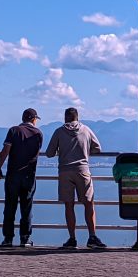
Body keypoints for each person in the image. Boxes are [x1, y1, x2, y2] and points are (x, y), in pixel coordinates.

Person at [46, 107, 107, 249]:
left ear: (65, 118)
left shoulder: (59, 131)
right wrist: (85, 150)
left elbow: (49, 153)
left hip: (65, 171)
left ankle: (72, 239)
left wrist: (61, 150)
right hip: (83, 170)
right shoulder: (86, 130)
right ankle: (92, 237)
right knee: (89, 203)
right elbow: (98, 148)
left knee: (69, 205)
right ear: (77, 117)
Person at [0, 108, 43, 247]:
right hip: (29, 175)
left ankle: (8, 238)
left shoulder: (13, 131)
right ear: (34, 119)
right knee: (26, 208)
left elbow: (5, 150)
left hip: (13, 175)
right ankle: (25, 238)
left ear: (23, 118)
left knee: (10, 207)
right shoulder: (38, 134)